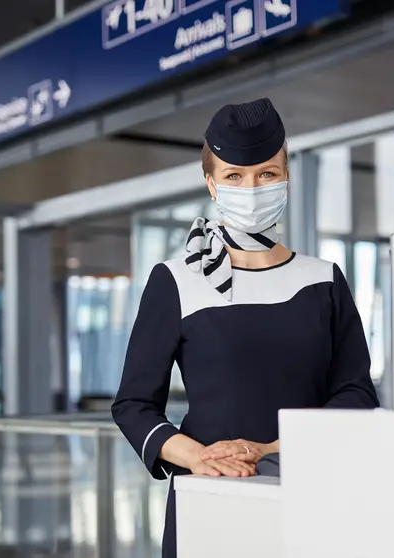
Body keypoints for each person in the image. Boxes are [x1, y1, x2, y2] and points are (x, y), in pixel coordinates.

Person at [112, 97, 379, 557]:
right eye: (235, 176)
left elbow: (356, 395)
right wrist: (200, 457)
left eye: (267, 174)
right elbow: (134, 405)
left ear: (286, 177)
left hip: (310, 490)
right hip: (209, 495)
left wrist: (272, 447)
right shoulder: (176, 280)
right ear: (212, 184)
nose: (252, 188)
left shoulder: (324, 280)